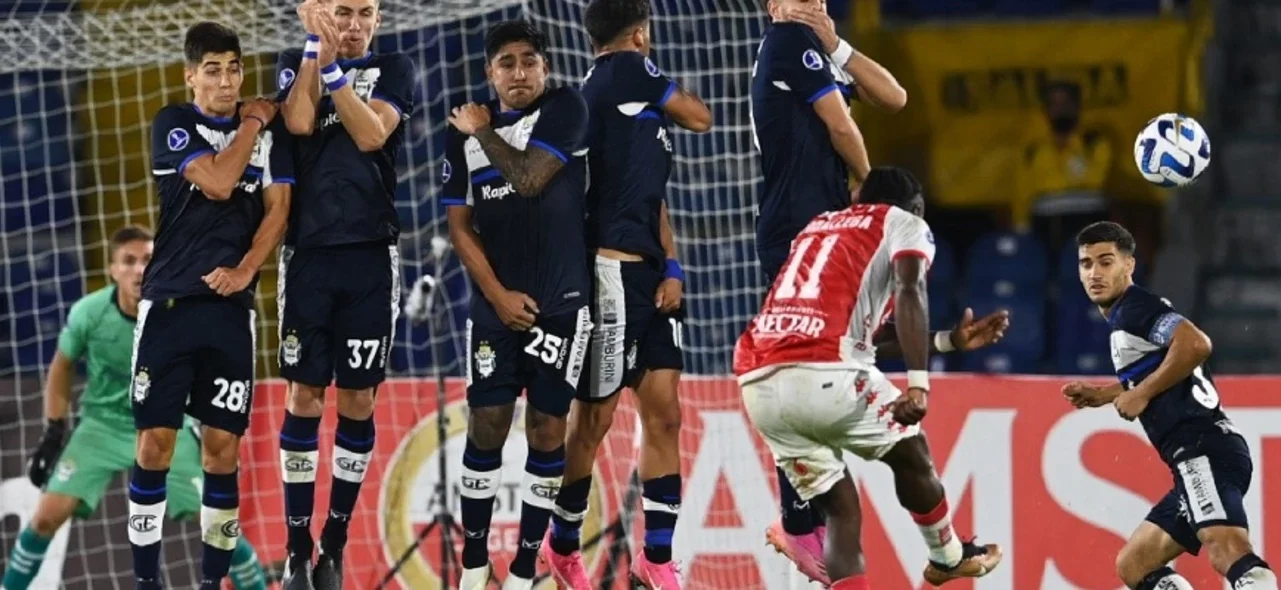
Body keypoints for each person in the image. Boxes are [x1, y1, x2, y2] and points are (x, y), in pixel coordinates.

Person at [735, 167, 1005, 589]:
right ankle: (947, 557)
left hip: (758, 384)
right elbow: (910, 288)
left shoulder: (817, 227)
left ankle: (945, 560)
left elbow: (865, 335)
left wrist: (949, 341)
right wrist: (918, 384)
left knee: (841, 511)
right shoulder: (904, 222)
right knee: (912, 451)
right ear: (916, 208)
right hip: (825, 374)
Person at [537, 1, 711, 588]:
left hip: (651, 276)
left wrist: (673, 266)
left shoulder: (618, 98)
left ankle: (656, 557)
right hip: (609, 274)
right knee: (595, 418)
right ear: (640, 34)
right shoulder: (630, 72)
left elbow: (649, 195)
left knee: (666, 413)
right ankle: (562, 543)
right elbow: (702, 116)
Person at [1, 227, 269, 590]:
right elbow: (61, 366)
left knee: (217, 521)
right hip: (102, 426)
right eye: (128, 261)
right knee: (46, 516)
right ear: (113, 270)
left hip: (167, 426)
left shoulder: (181, 311)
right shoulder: (90, 312)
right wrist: (53, 430)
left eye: (147, 259)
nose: (140, 269)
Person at [128, 21, 292, 590]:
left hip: (230, 311)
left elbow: (278, 211)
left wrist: (246, 270)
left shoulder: (271, 139)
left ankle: (211, 584)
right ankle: (146, 582)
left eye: (234, 69)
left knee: (222, 452)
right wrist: (251, 122)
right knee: (155, 445)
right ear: (190, 77)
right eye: (213, 71)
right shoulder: (173, 123)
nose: (226, 81)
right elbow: (220, 182)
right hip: (169, 307)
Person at [750, 0, 910, 582]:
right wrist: (872, 187)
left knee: (824, 369)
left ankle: (806, 522)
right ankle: (799, 522)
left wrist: (839, 45)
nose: (813, 3)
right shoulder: (788, 41)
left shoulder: (814, 47)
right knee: (801, 370)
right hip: (797, 230)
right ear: (772, 4)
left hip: (818, 230)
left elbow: (894, 97)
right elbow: (841, 125)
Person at [442, 20, 593, 590]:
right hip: (495, 305)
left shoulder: (566, 108)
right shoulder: (459, 132)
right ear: (490, 72)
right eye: (506, 62)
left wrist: (482, 131)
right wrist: (497, 295)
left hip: (563, 302)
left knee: (549, 430)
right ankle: (474, 563)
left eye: (530, 60)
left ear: (546, 67)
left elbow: (529, 178)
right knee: (487, 424)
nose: (520, 72)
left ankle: (526, 569)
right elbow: (459, 226)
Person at [272, 0, 414, 587]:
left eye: (364, 13)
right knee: (304, 396)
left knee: (357, 399)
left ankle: (334, 541)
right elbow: (299, 123)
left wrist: (333, 69)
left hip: (370, 256)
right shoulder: (294, 58)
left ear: (378, 19)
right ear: (320, 15)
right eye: (341, 12)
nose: (353, 24)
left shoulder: (395, 67)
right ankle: (296, 547)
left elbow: (372, 133)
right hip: (307, 254)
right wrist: (315, 52)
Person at [1063, 222, 1277, 590]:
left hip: (1200, 450)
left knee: (1228, 551)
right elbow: (1164, 365)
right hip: (1205, 452)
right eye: (1086, 264)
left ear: (1129, 265)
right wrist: (1106, 394)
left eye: (1106, 262)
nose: (1095, 273)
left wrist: (1142, 393)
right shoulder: (1128, 317)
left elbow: (1195, 344)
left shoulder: (1134, 308)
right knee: (1136, 563)